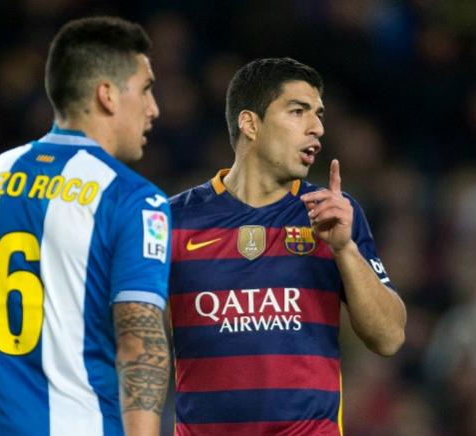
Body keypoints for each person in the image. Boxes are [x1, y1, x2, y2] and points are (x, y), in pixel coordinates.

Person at [0, 16, 171, 436]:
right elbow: (139, 346)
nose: (154, 109)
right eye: (146, 89)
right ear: (107, 95)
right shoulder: (134, 200)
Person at [168, 57, 407, 435]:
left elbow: (390, 337)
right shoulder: (173, 222)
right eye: (298, 111)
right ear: (250, 123)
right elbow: (134, 337)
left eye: (319, 114)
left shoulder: (334, 213)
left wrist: (345, 250)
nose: (318, 128)